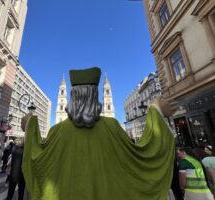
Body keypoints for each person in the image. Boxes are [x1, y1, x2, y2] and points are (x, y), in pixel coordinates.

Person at [22, 67, 176, 200]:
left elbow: (37, 160)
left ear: (72, 96)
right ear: (95, 96)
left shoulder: (57, 131)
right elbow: (141, 157)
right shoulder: (112, 127)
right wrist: (157, 111)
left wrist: (30, 125)